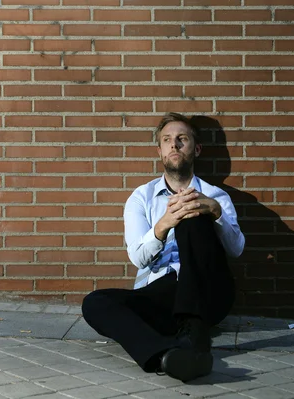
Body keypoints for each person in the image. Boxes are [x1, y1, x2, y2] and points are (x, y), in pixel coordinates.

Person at [82, 112, 245, 382]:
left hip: (209, 292)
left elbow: (237, 248)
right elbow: (137, 258)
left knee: (193, 216)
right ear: (159, 150)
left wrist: (215, 213)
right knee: (94, 303)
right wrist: (163, 225)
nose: (175, 145)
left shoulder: (217, 196)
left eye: (182, 139)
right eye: (167, 140)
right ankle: (169, 357)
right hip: (161, 293)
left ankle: (195, 339)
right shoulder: (141, 197)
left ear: (197, 148)